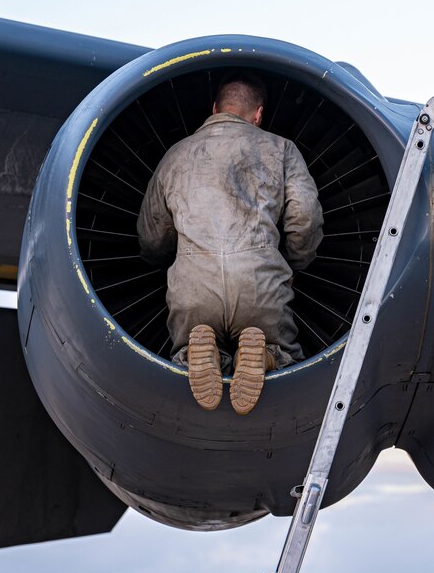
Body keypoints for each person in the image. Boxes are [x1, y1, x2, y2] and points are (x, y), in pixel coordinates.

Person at [137, 73, 323, 414]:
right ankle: (267, 353)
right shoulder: (281, 149)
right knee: (286, 356)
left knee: (184, 353)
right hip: (259, 285)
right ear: (258, 114)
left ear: (214, 108)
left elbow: (152, 235)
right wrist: (296, 263)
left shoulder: (176, 155)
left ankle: (198, 351)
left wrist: (163, 259)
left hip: (193, 289)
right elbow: (306, 215)